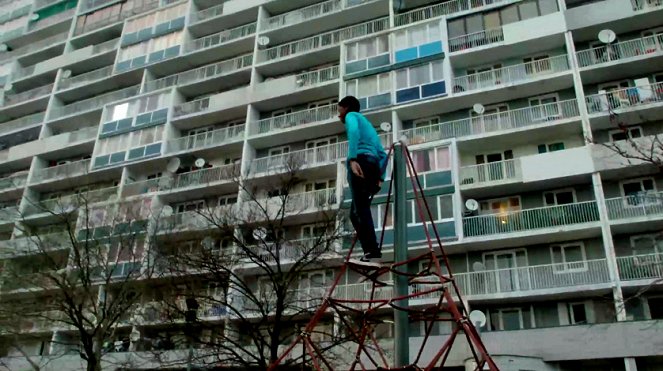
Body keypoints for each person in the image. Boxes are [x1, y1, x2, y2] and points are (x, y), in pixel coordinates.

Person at [338, 96, 388, 262]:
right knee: (355, 212)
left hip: (360, 163)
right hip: (373, 166)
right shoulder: (369, 127)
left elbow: (353, 132)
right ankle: (369, 250)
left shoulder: (352, 116)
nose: (339, 116)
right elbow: (382, 154)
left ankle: (372, 251)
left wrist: (353, 159)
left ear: (347, 108)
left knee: (360, 210)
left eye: (340, 111)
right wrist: (380, 177)